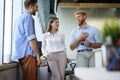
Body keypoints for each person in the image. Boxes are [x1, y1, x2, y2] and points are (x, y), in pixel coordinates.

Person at [12, 0, 42, 80]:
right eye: (36, 7)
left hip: (21, 53)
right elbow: (31, 39)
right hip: (27, 54)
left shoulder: (19, 18)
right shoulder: (28, 17)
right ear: (31, 7)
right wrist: (38, 55)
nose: (37, 9)